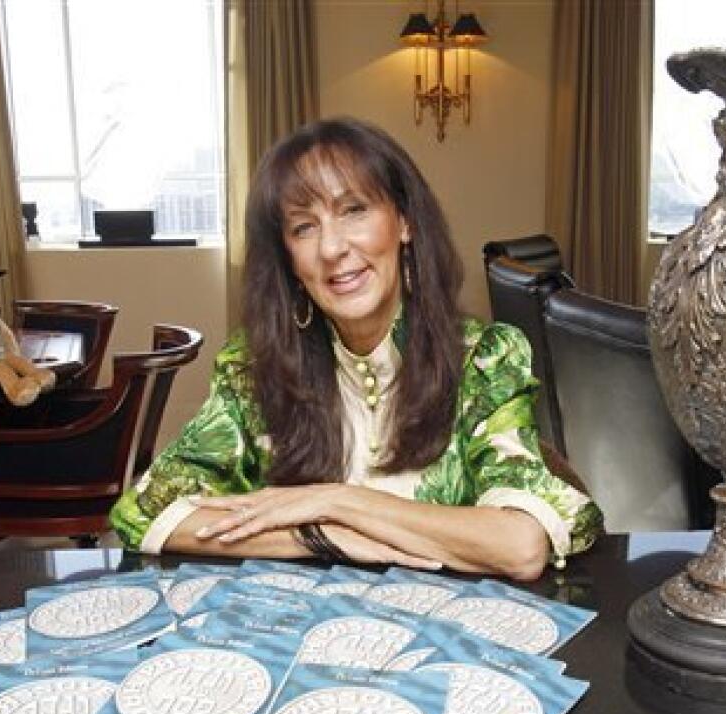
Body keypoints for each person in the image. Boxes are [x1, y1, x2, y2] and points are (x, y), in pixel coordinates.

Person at [111, 118, 602, 580]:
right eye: (304, 227)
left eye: (354, 210)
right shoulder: (255, 370)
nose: (331, 248)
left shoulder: (485, 360)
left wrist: (337, 502)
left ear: (404, 223)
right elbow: (145, 512)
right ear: (289, 258)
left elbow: (519, 546)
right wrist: (319, 536)